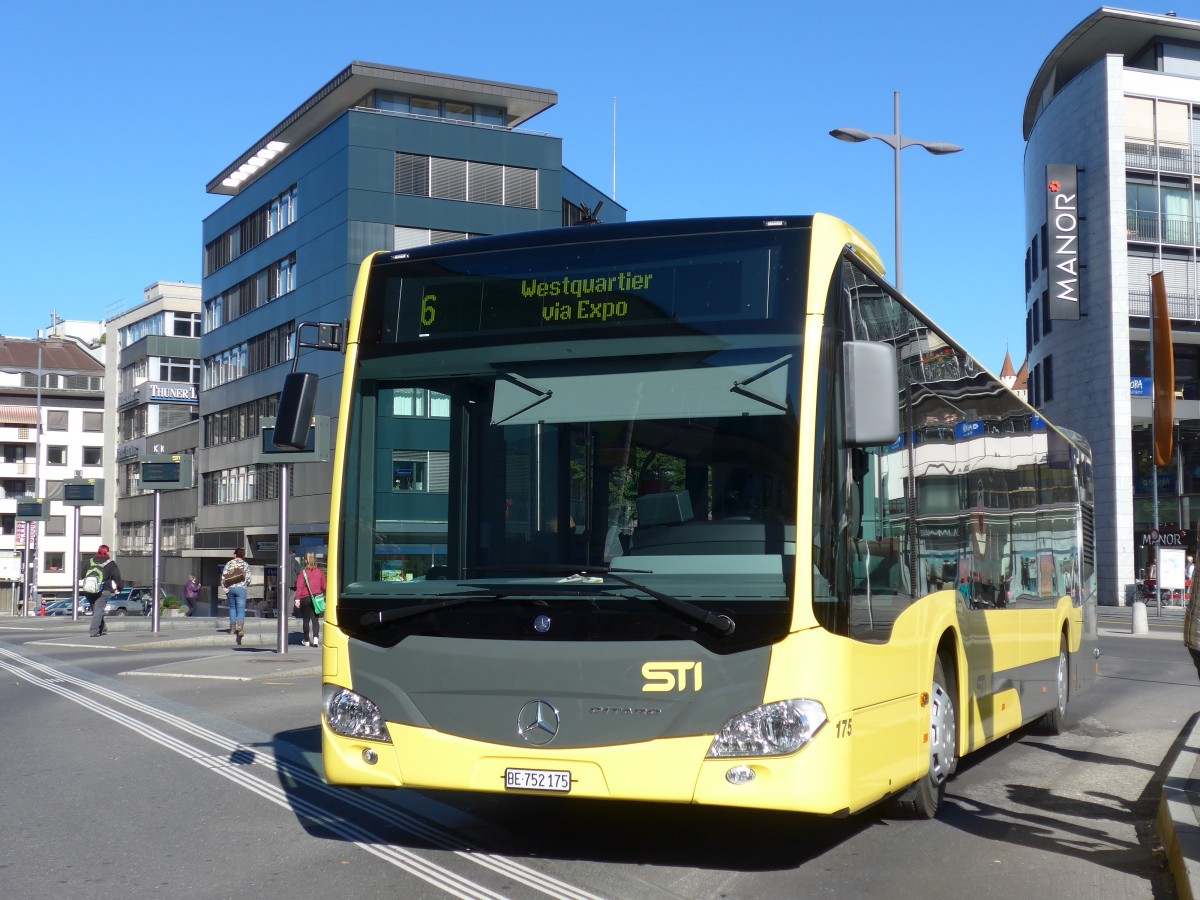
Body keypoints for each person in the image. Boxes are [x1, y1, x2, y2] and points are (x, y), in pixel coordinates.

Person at [84, 544, 122, 638]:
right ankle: (94, 631)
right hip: (104, 590)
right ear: (107, 552)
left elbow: (82, 574)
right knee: (99, 610)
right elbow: (117, 577)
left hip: (89, 589)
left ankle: (103, 628)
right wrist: (119, 588)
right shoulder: (110, 563)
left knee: (97, 610)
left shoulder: (90, 561)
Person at [294, 551, 326, 647]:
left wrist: (297, 599)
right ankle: (316, 639)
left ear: (305, 560)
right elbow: (324, 587)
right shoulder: (320, 572)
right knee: (315, 619)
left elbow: (299, 587)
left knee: (306, 619)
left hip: (305, 598)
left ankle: (307, 640)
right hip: (316, 597)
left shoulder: (303, 573)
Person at [221, 548, 251, 645]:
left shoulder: (229, 563)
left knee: (233, 608)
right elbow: (248, 579)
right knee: (241, 609)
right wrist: (244, 585)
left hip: (230, 589)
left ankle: (232, 629)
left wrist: (224, 587)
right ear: (243, 555)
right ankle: (240, 627)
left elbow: (224, 576)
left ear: (235, 554)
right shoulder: (245, 564)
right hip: (241, 589)